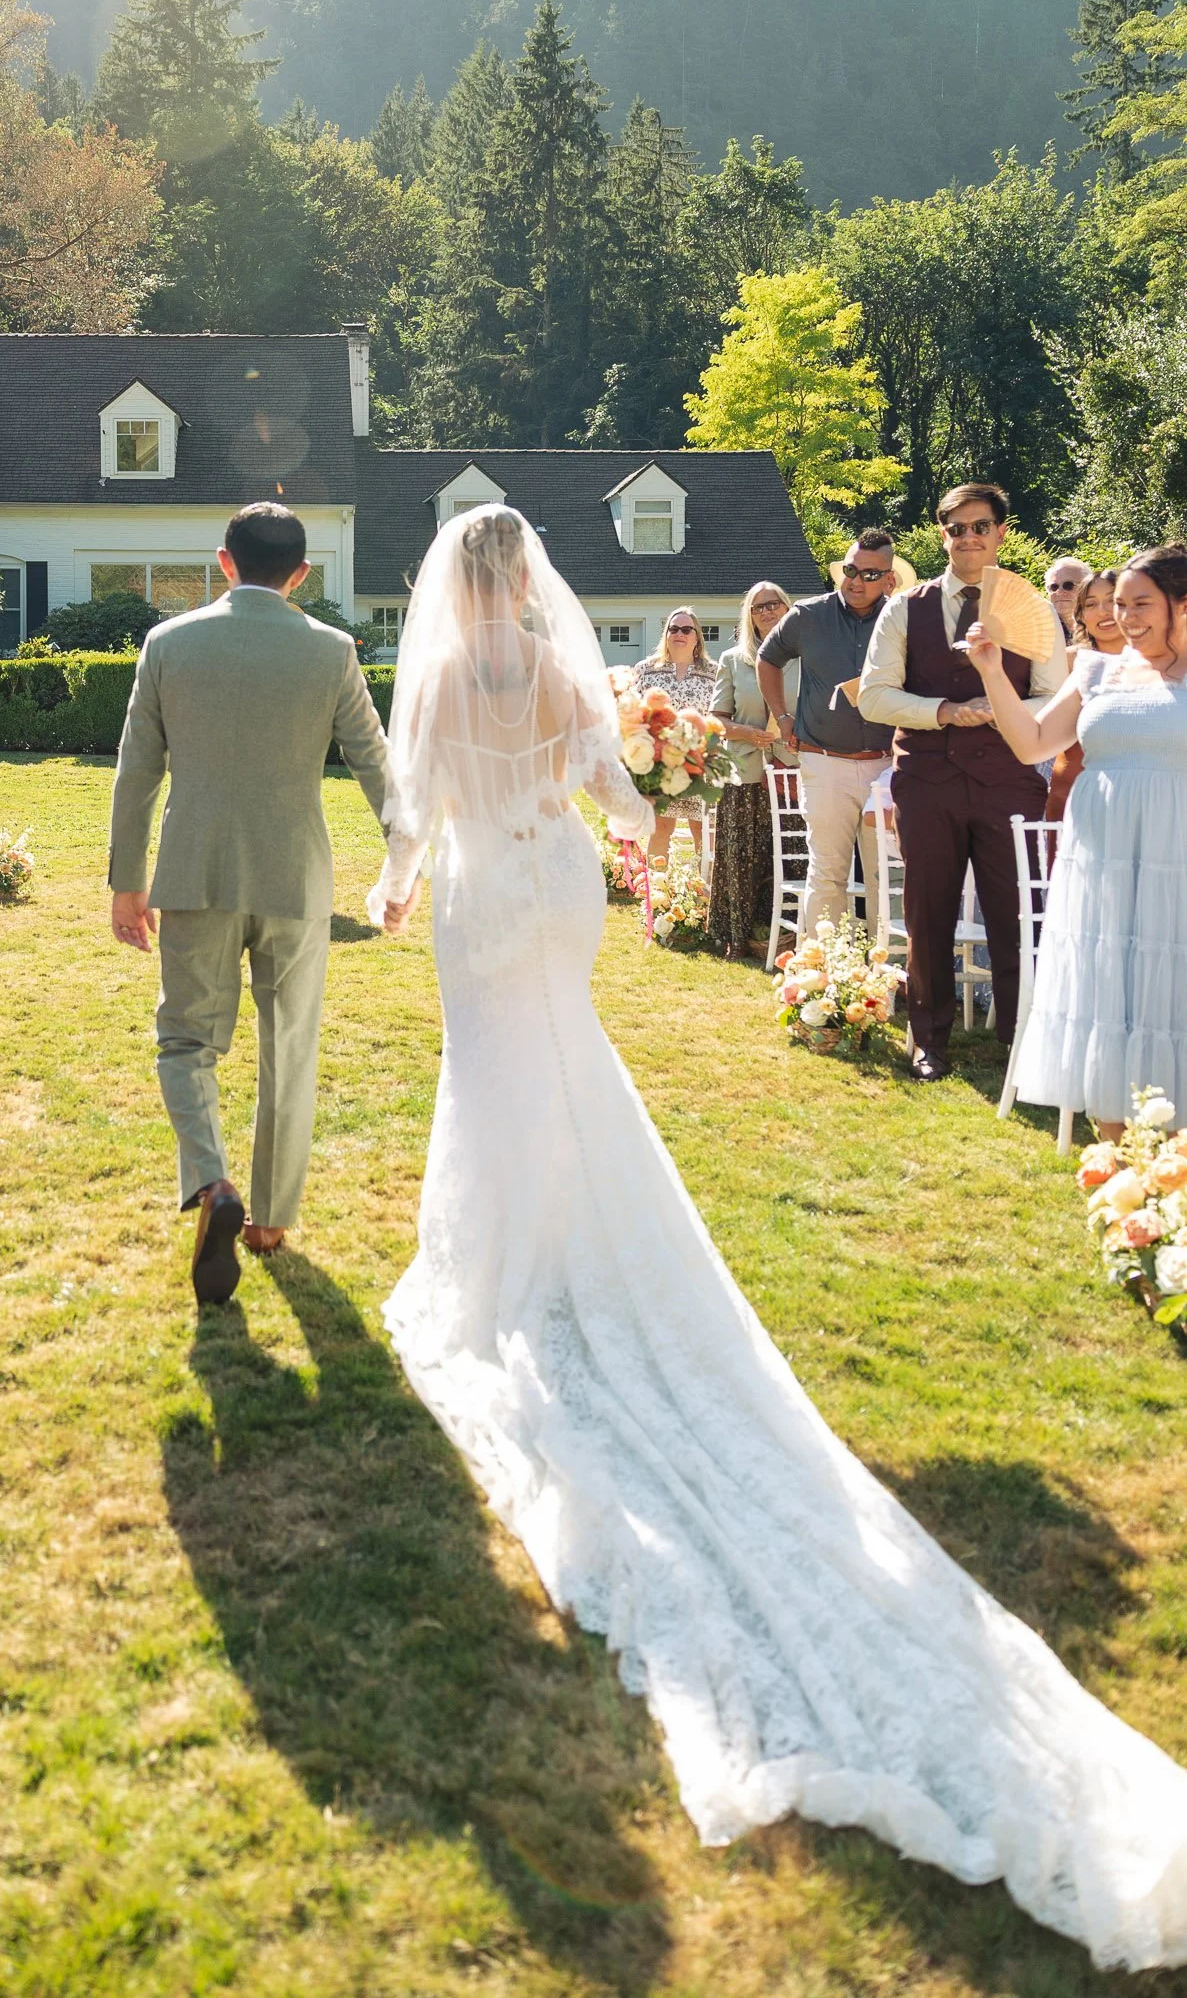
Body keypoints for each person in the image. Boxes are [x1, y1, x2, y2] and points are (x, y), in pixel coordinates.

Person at [370, 502, 1187, 1973]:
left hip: (483, 898)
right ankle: (564, 1250)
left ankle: (504, 1270)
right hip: (555, 895)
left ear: (448, 589)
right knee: (568, 1074)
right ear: (527, 584)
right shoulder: (563, 678)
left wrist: (389, 887)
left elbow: (410, 818)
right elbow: (617, 800)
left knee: (487, 1077)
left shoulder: (427, 682)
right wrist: (658, 817)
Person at [109, 500, 390, 1302]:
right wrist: (405, 854)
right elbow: (372, 760)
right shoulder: (332, 650)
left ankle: (211, 1181)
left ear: (223, 562)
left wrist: (127, 880)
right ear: (301, 574)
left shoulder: (169, 642)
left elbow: (137, 771)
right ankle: (269, 1217)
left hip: (194, 865)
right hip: (294, 872)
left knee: (184, 1041)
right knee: (288, 1044)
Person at [967, 544, 1187, 1136]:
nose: (1125, 615)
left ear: (1182, 605)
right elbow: (1032, 743)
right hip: (1101, 859)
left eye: (1142, 603)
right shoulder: (1095, 670)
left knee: (1172, 992)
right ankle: (1119, 1165)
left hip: (1178, 858)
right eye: (1118, 603)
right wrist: (991, 670)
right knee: (1108, 993)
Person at [858, 485, 1068, 1082]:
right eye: (957, 528)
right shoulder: (905, 608)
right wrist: (944, 711)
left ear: (1001, 532)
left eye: (981, 526)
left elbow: (1052, 694)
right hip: (927, 778)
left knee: (1018, 911)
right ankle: (928, 1041)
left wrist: (1000, 707)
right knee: (929, 911)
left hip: (1009, 779)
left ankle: (1023, 1039)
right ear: (941, 533)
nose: (969, 537)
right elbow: (874, 695)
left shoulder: (1032, 606)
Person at [756, 532, 898, 941]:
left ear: (889, 580)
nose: (855, 581)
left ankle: (881, 977)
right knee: (827, 871)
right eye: (850, 569)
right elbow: (768, 658)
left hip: (886, 767)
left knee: (882, 877)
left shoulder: (901, 620)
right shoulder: (808, 615)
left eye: (869, 574)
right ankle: (824, 972)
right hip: (824, 761)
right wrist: (783, 717)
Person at [705, 582, 797, 958]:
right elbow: (716, 720)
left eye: (774, 604)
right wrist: (749, 733)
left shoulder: (805, 656)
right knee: (741, 858)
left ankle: (788, 940)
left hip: (791, 771)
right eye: (759, 607)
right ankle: (738, 938)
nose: (767, 611)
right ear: (749, 615)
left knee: (789, 853)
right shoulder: (732, 659)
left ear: (787, 608)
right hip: (744, 771)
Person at [630, 607, 717, 865]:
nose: (680, 634)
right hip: (660, 764)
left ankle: (704, 892)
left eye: (686, 629)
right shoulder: (646, 670)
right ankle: (658, 891)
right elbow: (634, 716)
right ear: (666, 634)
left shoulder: (714, 672)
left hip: (700, 763)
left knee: (703, 829)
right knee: (661, 828)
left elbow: (722, 715)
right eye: (674, 628)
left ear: (697, 637)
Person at [1045, 569, 1122, 825]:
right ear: (1081, 615)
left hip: (1140, 793)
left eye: (1112, 600)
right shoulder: (1069, 661)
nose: (1103, 611)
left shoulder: (1162, 664)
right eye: (1090, 604)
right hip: (1072, 791)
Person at [1045, 556, 1093, 642]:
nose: (1059, 592)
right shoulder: (1040, 628)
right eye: (1053, 587)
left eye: (1068, 585)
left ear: (1088, 587)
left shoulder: (1103, 623)